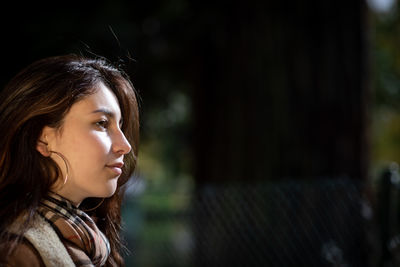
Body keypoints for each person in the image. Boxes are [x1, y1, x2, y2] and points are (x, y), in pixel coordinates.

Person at [0, 54, 140, 266]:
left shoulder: (92, 244)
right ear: (45, 140)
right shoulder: (13, 254)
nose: (125, 145)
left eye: (120, 125)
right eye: (102, 123)